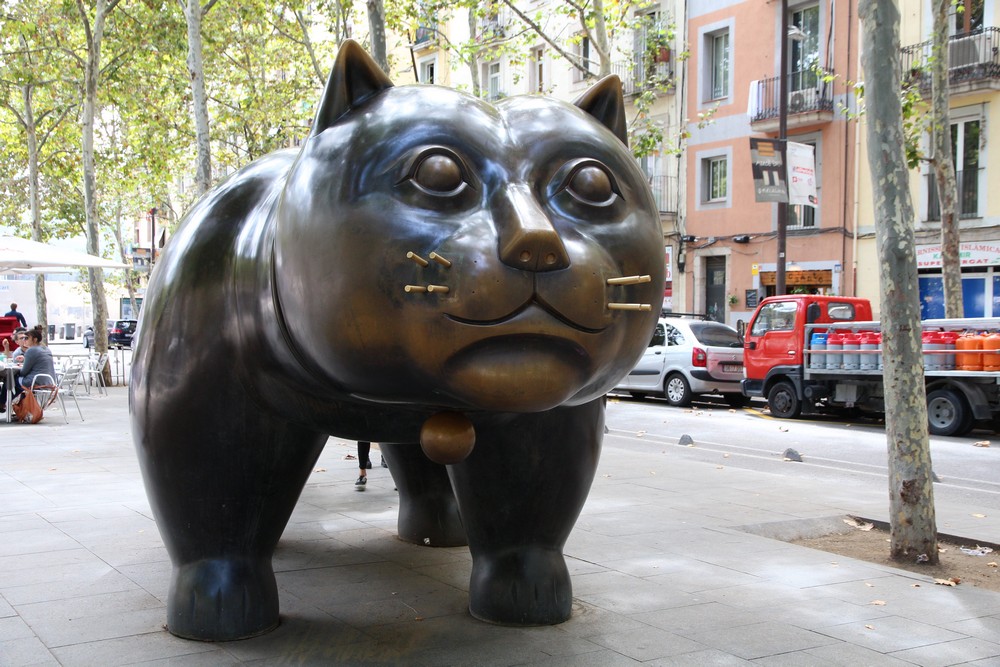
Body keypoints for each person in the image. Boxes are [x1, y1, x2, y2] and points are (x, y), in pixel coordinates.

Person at [11, 328, 55, 401]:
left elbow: (23, 372)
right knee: (16, 383)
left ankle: (3, 402)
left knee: (11, 380)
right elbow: (39, 362)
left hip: (36, 381)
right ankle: (19, 402)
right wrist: (25, 359)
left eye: (27, 338)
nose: (24, 340)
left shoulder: (31, 350)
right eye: (23, 338)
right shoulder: (46, 348)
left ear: (34, 339)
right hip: (49, 381)